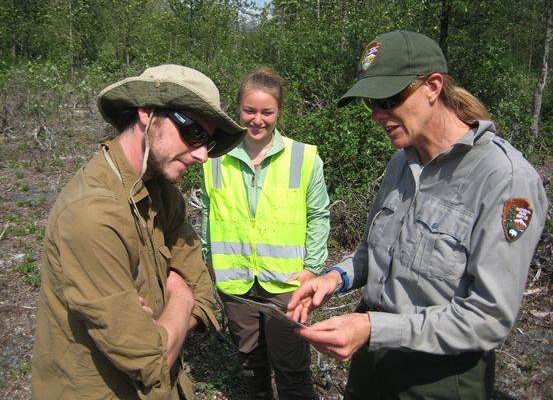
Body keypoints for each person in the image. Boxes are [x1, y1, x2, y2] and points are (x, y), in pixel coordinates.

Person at [287, 30, 548, 399]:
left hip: (439, 377)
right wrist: (334, 279)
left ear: (433, 86)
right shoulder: (402, 162)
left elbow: (488, 318)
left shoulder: (504, 178)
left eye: (389, 99)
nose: (378, 114)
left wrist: (374, 329)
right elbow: (372, 252)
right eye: (370, 104)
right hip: (372, 361)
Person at [31, 64, 246, 400]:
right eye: (194, 133)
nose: (204, 154)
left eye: (210, 140)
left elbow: (203, 292)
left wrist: (172, 312)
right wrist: (181, 296)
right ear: (147, 113)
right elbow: (149, 359)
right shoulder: (92, 216)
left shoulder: (163, 195)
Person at [200, 67, 330, 399]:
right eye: (249, 111)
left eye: (267, 112)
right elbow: (208, 215)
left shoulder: (304, 157)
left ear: (278, 112)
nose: (257, 120)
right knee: (251, 366)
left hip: (288, 283)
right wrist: (208, 260)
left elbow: (318, 215)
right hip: (236, 283)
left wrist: (313, 268)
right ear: (237, 110)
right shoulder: (214, 158)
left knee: (292, 369)